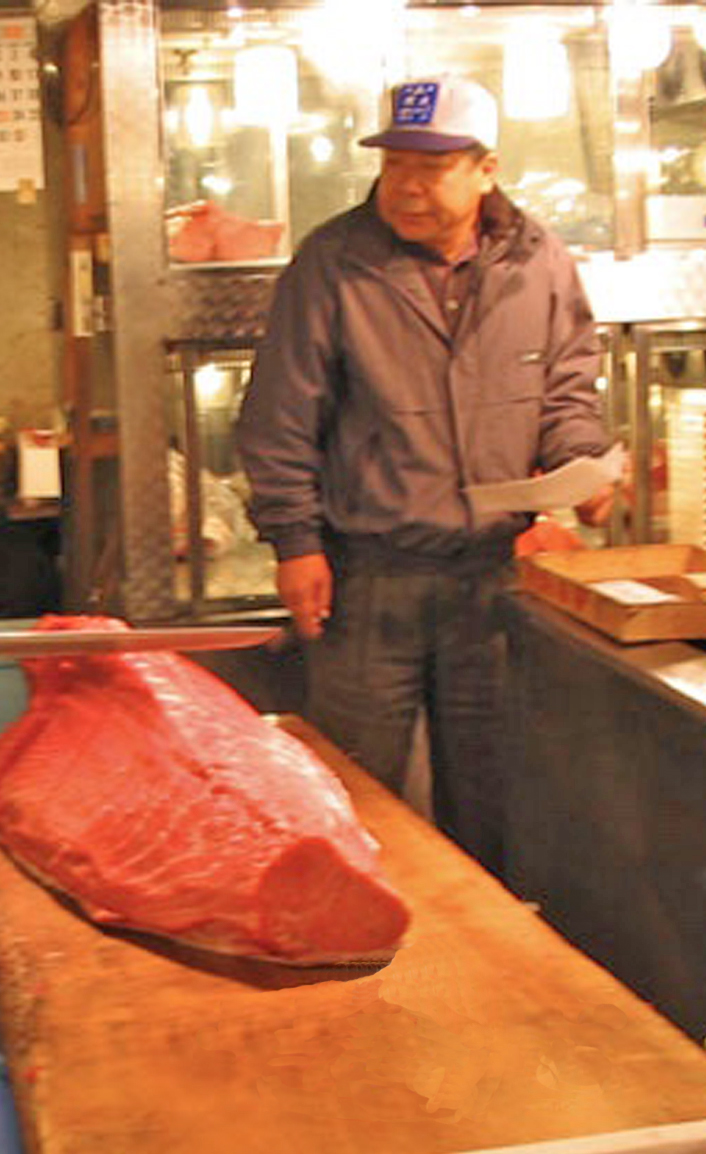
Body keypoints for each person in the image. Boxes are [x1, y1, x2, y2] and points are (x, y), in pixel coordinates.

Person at [235, 75, 616, 878]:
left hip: (493, 580)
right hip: (367, 578)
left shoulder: (538, 259)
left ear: (486, 170)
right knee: (355, 793)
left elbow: (567, 389)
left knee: (491, 796)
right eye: (394, 164)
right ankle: (359, 972)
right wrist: (294, 541)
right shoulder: (333, 263)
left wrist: (583, 464)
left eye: (430, 168)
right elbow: (279, 416)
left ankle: (488, 979)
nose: (405, 186)